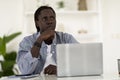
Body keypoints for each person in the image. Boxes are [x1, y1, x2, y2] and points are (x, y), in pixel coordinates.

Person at [17, 6, 78, 75]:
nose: (49, 21)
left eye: (52, 18)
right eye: (45, 19)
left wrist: (60, 69)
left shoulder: (66, 38)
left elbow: (81, 61)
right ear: (37, 23)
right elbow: (25, 70)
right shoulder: (27, 41)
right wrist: (40, 39)